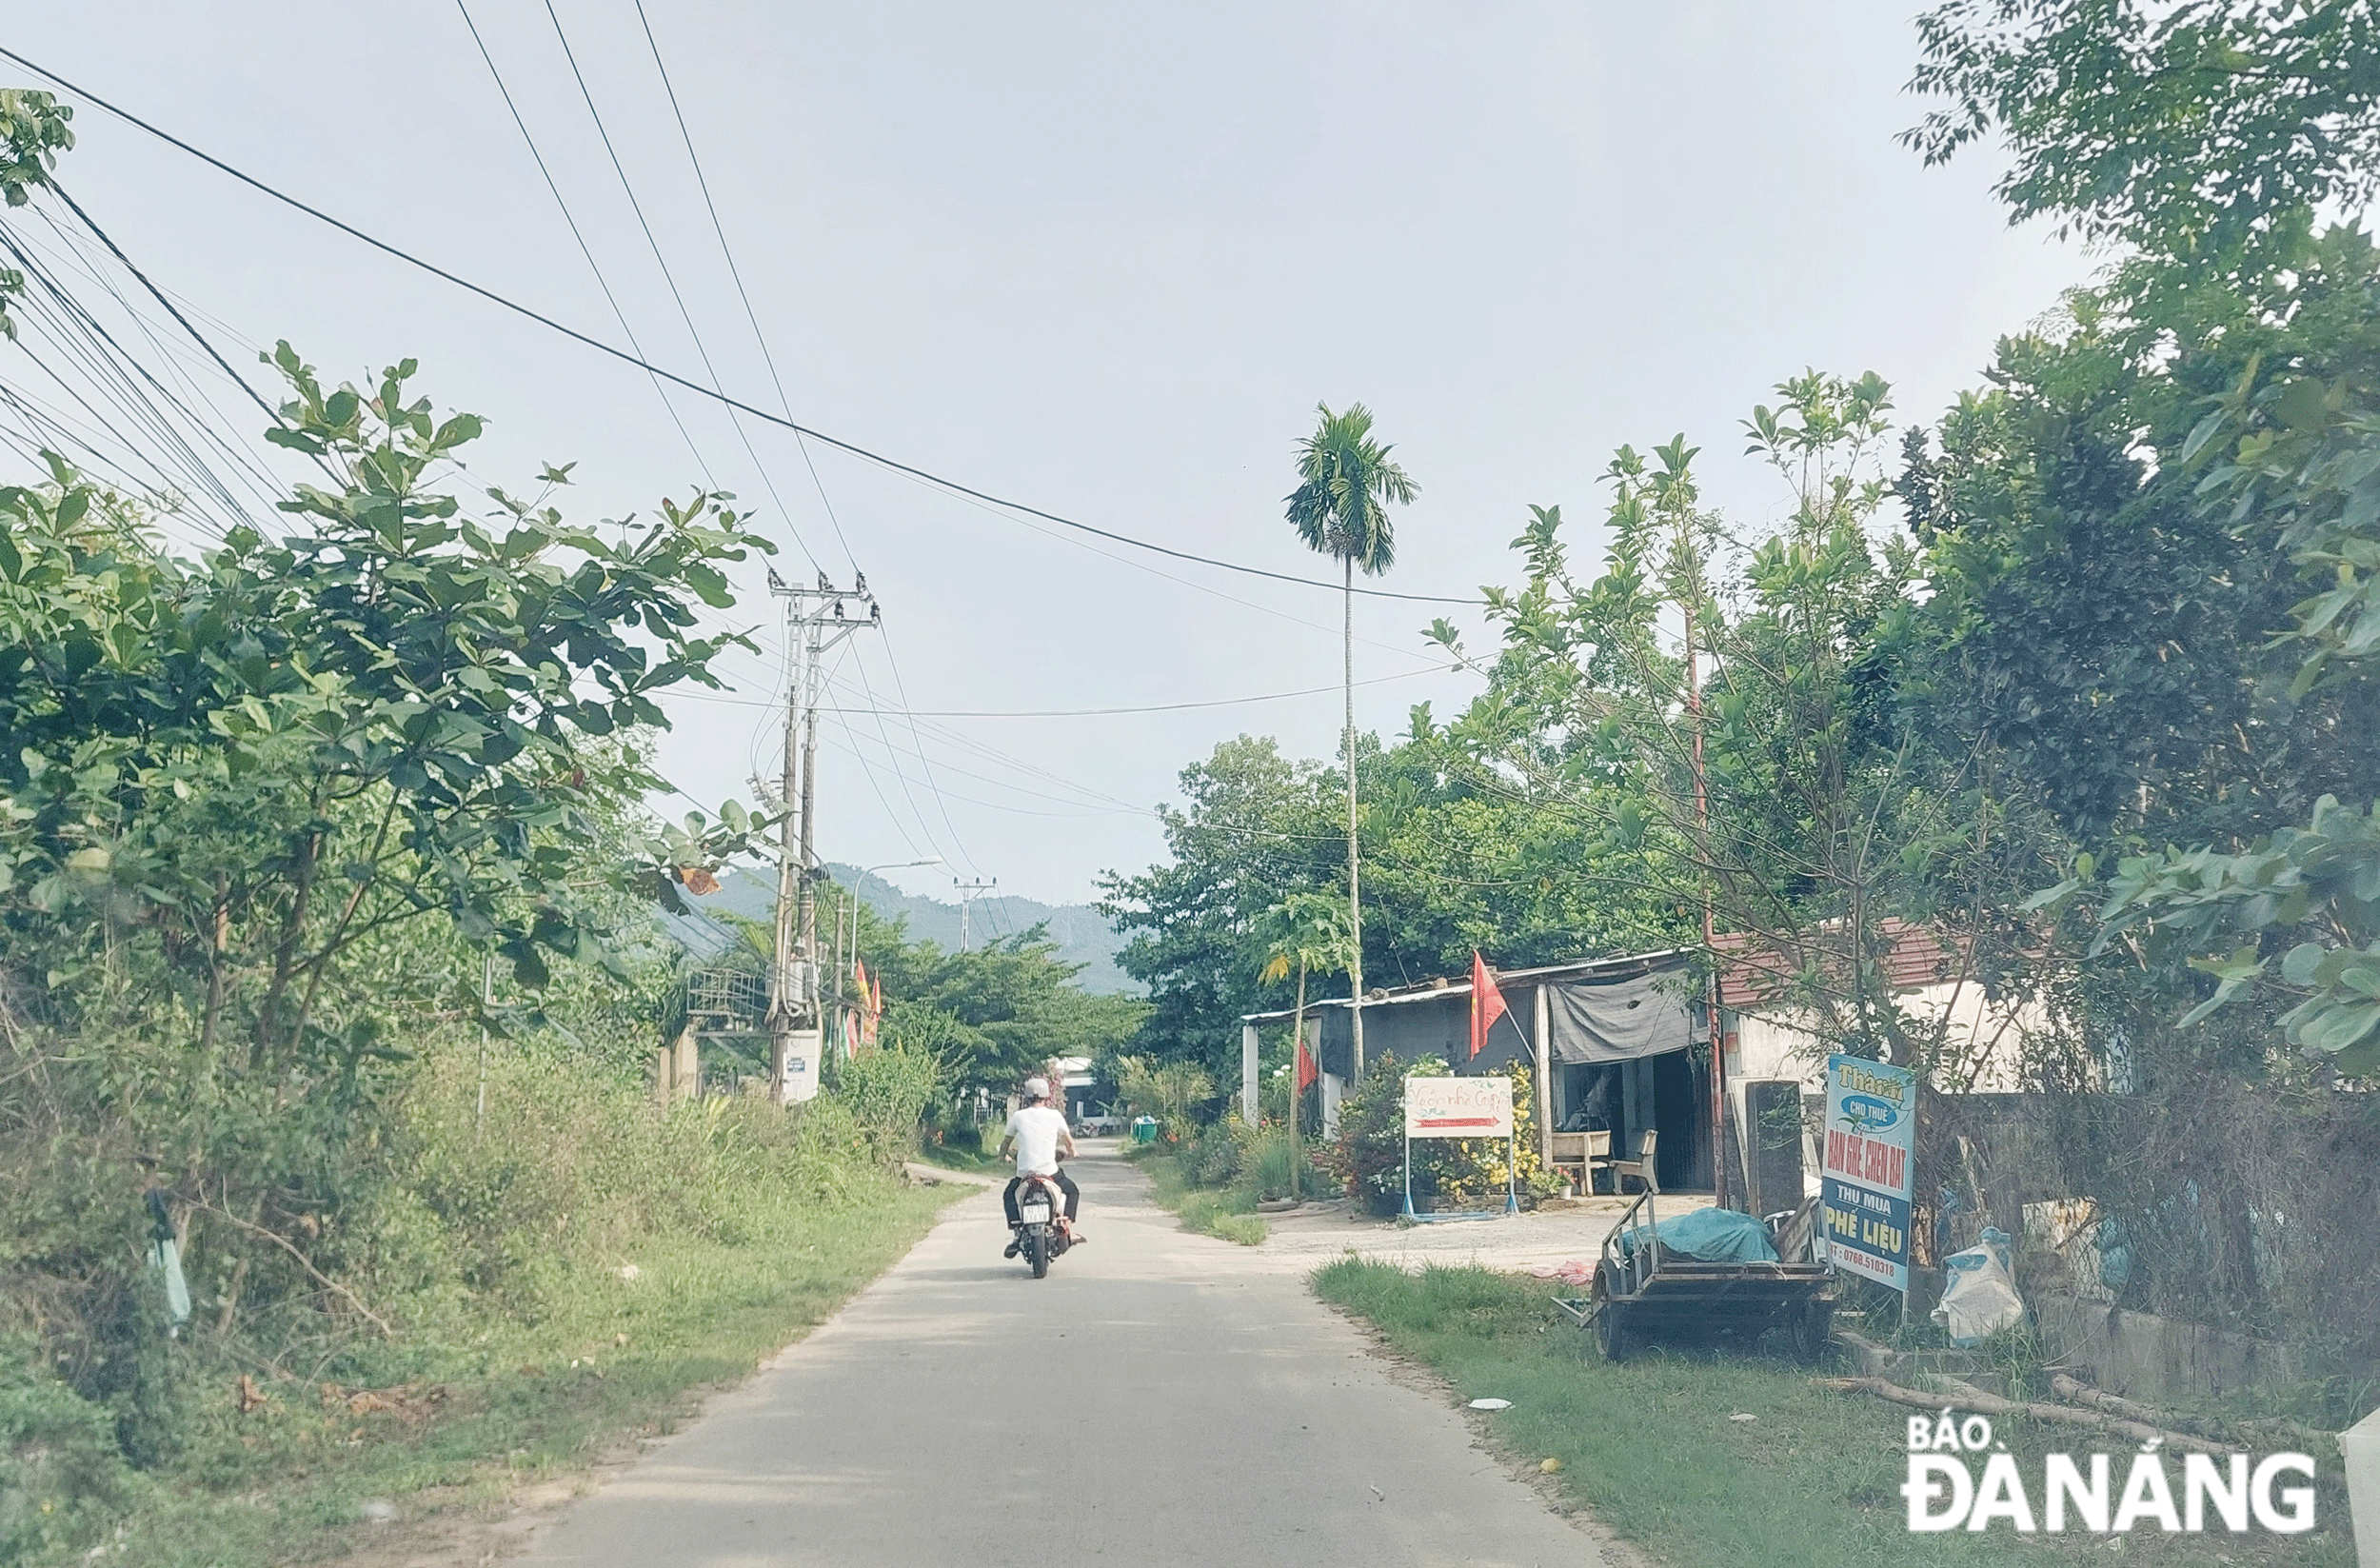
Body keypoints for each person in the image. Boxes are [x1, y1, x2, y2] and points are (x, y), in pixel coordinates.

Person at [998, 1076, 1084, 1255]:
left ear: (1027, 1098)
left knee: (1009, 1194)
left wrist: (1002, 1156)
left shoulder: (1018, 1117)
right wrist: (1073, 1151)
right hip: (1050, 1173)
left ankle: (1016, 1232)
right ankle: (1065, 1224)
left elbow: (1006, 1142)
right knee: (1072, 1190)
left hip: (1025, 1175)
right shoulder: (1055, 1116)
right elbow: (1068, 1141)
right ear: (1047, 1096)